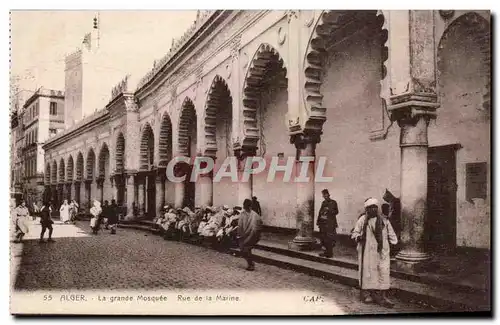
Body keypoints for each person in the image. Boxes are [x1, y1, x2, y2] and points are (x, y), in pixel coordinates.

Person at [351, 198, 398, 308]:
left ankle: (383, 296)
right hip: (367, 251)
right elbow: (354, 233)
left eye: (375, 207)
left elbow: (392, 234)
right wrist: (359, 237)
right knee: (368, 272)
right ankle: (367, 294)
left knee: (383, 271)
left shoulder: (384, 220)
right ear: (367, 209)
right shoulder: (363, 220)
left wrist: (392, 244)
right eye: (371, 207)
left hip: (382, 251)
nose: (374, 209)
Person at [238, 199, 263, 271]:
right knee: (243, 250)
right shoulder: (242, 214)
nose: (246, 208)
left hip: (253, 235)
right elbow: (240, 225)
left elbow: (260, 222)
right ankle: (250, 263)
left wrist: (256, 231)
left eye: (247, 206)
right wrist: (239, 234)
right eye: (245, 206)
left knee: (247, 249)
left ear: (250, 207)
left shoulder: (255, 215)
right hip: (244, 235)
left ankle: (251, 264)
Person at [317, 189, 339, 258]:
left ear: (328, 195)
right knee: (323, 238)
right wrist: (318, 221)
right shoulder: (323, 203)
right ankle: (325, 252)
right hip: (323, 223)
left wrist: (328, 210)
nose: (325, 196)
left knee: (330, 238)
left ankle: (329, 253)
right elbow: (320, 212)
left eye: (326, 195)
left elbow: (336, 212)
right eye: (324, 195)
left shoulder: (333, 202)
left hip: (330, 224)